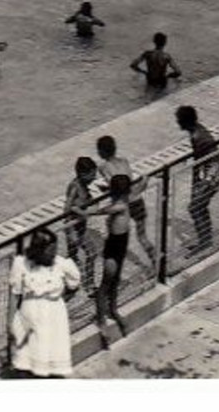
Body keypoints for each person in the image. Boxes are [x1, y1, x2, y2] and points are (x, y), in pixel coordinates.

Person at [7, 227, 82, 378]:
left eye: (55, 249)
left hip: (54, 319)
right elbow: (15, 295)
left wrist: (57, 301)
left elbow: (74, 285)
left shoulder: (62, 264)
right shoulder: (21, 264)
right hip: (28, 319)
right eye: (50, 249)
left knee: (51, 358)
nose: (54, 253)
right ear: (39, 250)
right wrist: (10, 323)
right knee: (26, 360)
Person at [82, 173, 134, 346]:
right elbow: (101, 210)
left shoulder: (121, 204)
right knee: (106, 282)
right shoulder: (123, 202)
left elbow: (102, 210)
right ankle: (102, 319)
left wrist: (85, 210)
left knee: (115, 280)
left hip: (120, 244)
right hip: (115, 246)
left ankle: (112, 309)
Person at [96, 135, 156, 270]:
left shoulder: (103, 167)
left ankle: (112, 265)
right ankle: (157, 263)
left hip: (124, 204)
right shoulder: (124, 161)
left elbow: (114, 185)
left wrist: (104, 189)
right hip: (137, 200)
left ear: (101, 151)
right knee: (142, 237)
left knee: (114, 235)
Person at [176, 105, 219, 254]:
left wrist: (202, 182)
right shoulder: (197, 131)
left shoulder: (197, 136)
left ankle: (205, 242)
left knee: (195, 208)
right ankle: (206, 239)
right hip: (213, 173)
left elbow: (204, 161)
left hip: (212, 175)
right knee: (200, 207)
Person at [64, 156, 100, 287]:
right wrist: (82, 213)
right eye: (92, 175)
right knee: (76, 257)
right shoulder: (74, 187)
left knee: (89, 253)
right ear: (83, 174)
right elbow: (68, 208)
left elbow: (88, 202)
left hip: (81, 227)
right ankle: (74, 284)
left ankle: (88, 283)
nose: (94, 178)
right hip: (73, 226)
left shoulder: (84, 186)